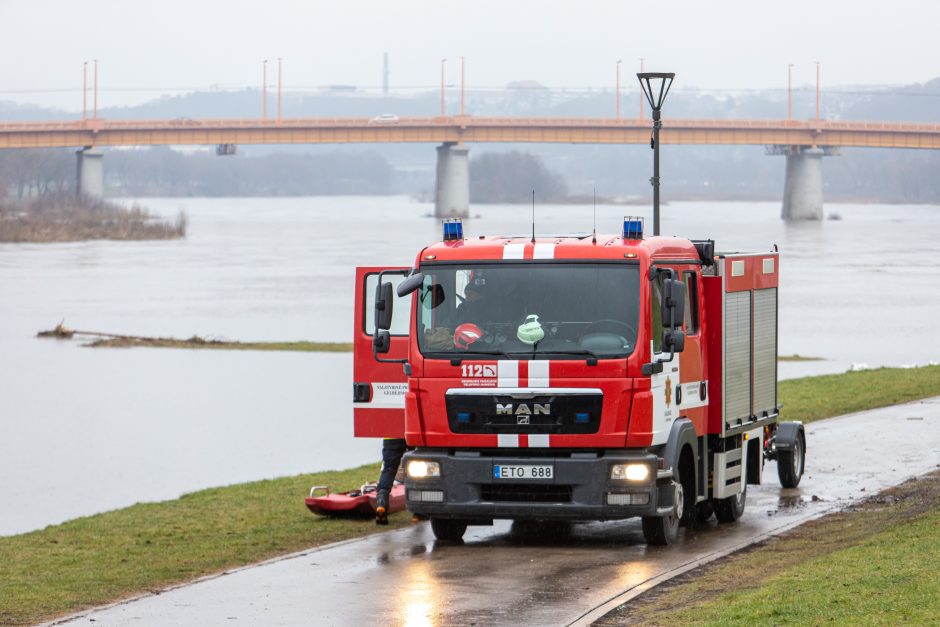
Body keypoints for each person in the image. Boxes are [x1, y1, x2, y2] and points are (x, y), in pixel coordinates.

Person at [375, 437, 407, 525]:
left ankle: (381, 504)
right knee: (415, 466)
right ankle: (418, 512)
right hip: (412, 433)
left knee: (388, 470)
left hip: (391, 436)